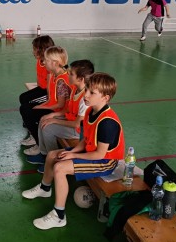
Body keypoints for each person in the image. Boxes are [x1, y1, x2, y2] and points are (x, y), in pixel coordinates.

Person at [22, 72, 125, 230]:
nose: (86, 94)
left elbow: (100, 154)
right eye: (87, 89)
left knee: (60, 168)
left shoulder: (107, 122)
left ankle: (59, 216)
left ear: (105, 98)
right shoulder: (90, 111)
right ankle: (44, 188)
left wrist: (74, 154)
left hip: (105, 161)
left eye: (92, 92)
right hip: (91, 152)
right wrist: (73, 151)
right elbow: (86, 139)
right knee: (52, 155)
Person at [26, 60, 95, 170]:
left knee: (48, 128)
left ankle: (53, 160)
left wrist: (55, 120)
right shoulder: (75, 89)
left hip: (78, 131)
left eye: (71, 74)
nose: (68, 75)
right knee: (43, 119)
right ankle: (44, 154)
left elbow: (77, 124)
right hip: (70, 119)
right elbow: (67, 109)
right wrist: (52, 116)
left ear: (80, 79)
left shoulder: (85, 98)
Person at [21, 46, 71, 156]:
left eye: (46, 60)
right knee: (26, 108)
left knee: (28, 112)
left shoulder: (62, 81)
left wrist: (40, 107)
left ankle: (39, 145)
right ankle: (38, 142)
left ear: (55, 63)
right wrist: (41, 106)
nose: (44, 62)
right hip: (53, 107)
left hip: (59, 112)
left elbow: (60, 105)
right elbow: (51, 98)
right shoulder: (54, 73)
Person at [19, 35, 55, 147]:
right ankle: (30, 125)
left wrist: (44, 104)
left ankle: (35, 136)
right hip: (41, 88)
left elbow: (49, 90)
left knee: (27, 108)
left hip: (46, 92)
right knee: (23, 98)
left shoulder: (50, 66)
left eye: (35, 49)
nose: (33, 51)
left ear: (42, 50)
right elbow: (39, 80)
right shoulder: (40, 61)